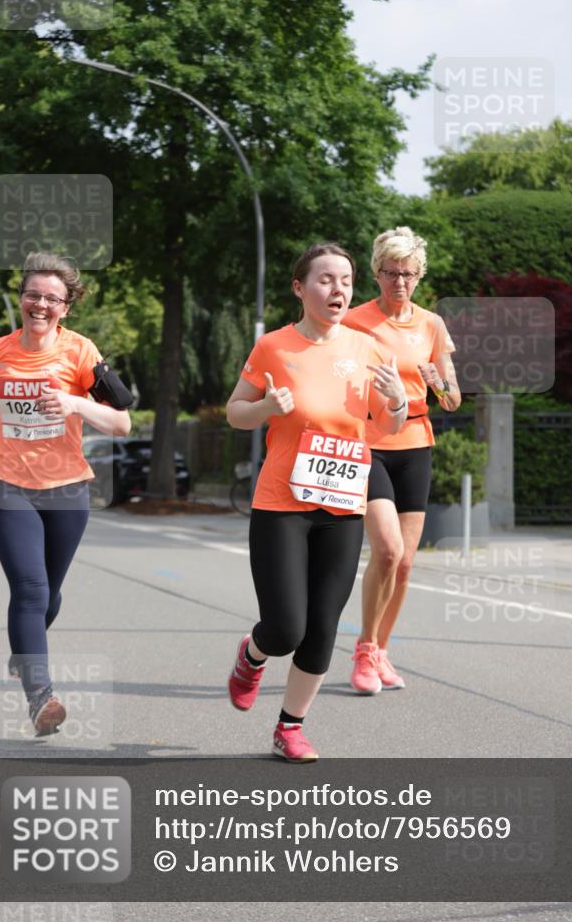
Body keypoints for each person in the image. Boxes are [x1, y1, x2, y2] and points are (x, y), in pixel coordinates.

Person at [225, 242, 408, 762]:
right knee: (286, 627)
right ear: (299, 288)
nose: (338, 290)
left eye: (347, 281)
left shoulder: (366, 348)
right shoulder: (273, 347)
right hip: (282, 500)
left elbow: (389, 427)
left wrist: (396, 398)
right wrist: (263, 405)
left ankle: (290, 727)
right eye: (326, 280)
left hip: (344, 502)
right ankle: (253, 653)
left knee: (324, 626)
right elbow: (235, 411)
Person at [0, 252, 131, 735]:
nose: (40, 304)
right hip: (9, 486)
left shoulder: (81, 353)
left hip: (67, 490)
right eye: (32, 294)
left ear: (66, 308)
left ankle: (24, 649)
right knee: (31, 590)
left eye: (51, 298)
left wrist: (75, 400)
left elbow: (121, 422)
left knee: (49, 595)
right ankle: (42, 697)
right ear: (21, 299)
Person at [343, 226, 461, 694]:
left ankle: (381, 649)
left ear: (419, 276)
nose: (399, 283)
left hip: (416, 443)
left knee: (407, 562)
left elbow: (452, 399)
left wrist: (437, 381)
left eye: (408, 274)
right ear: (376, 273)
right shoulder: (353, 321)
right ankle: (363, 652)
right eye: (391, 273)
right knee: (387, 550)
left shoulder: (431, 324)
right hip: (368, 441)